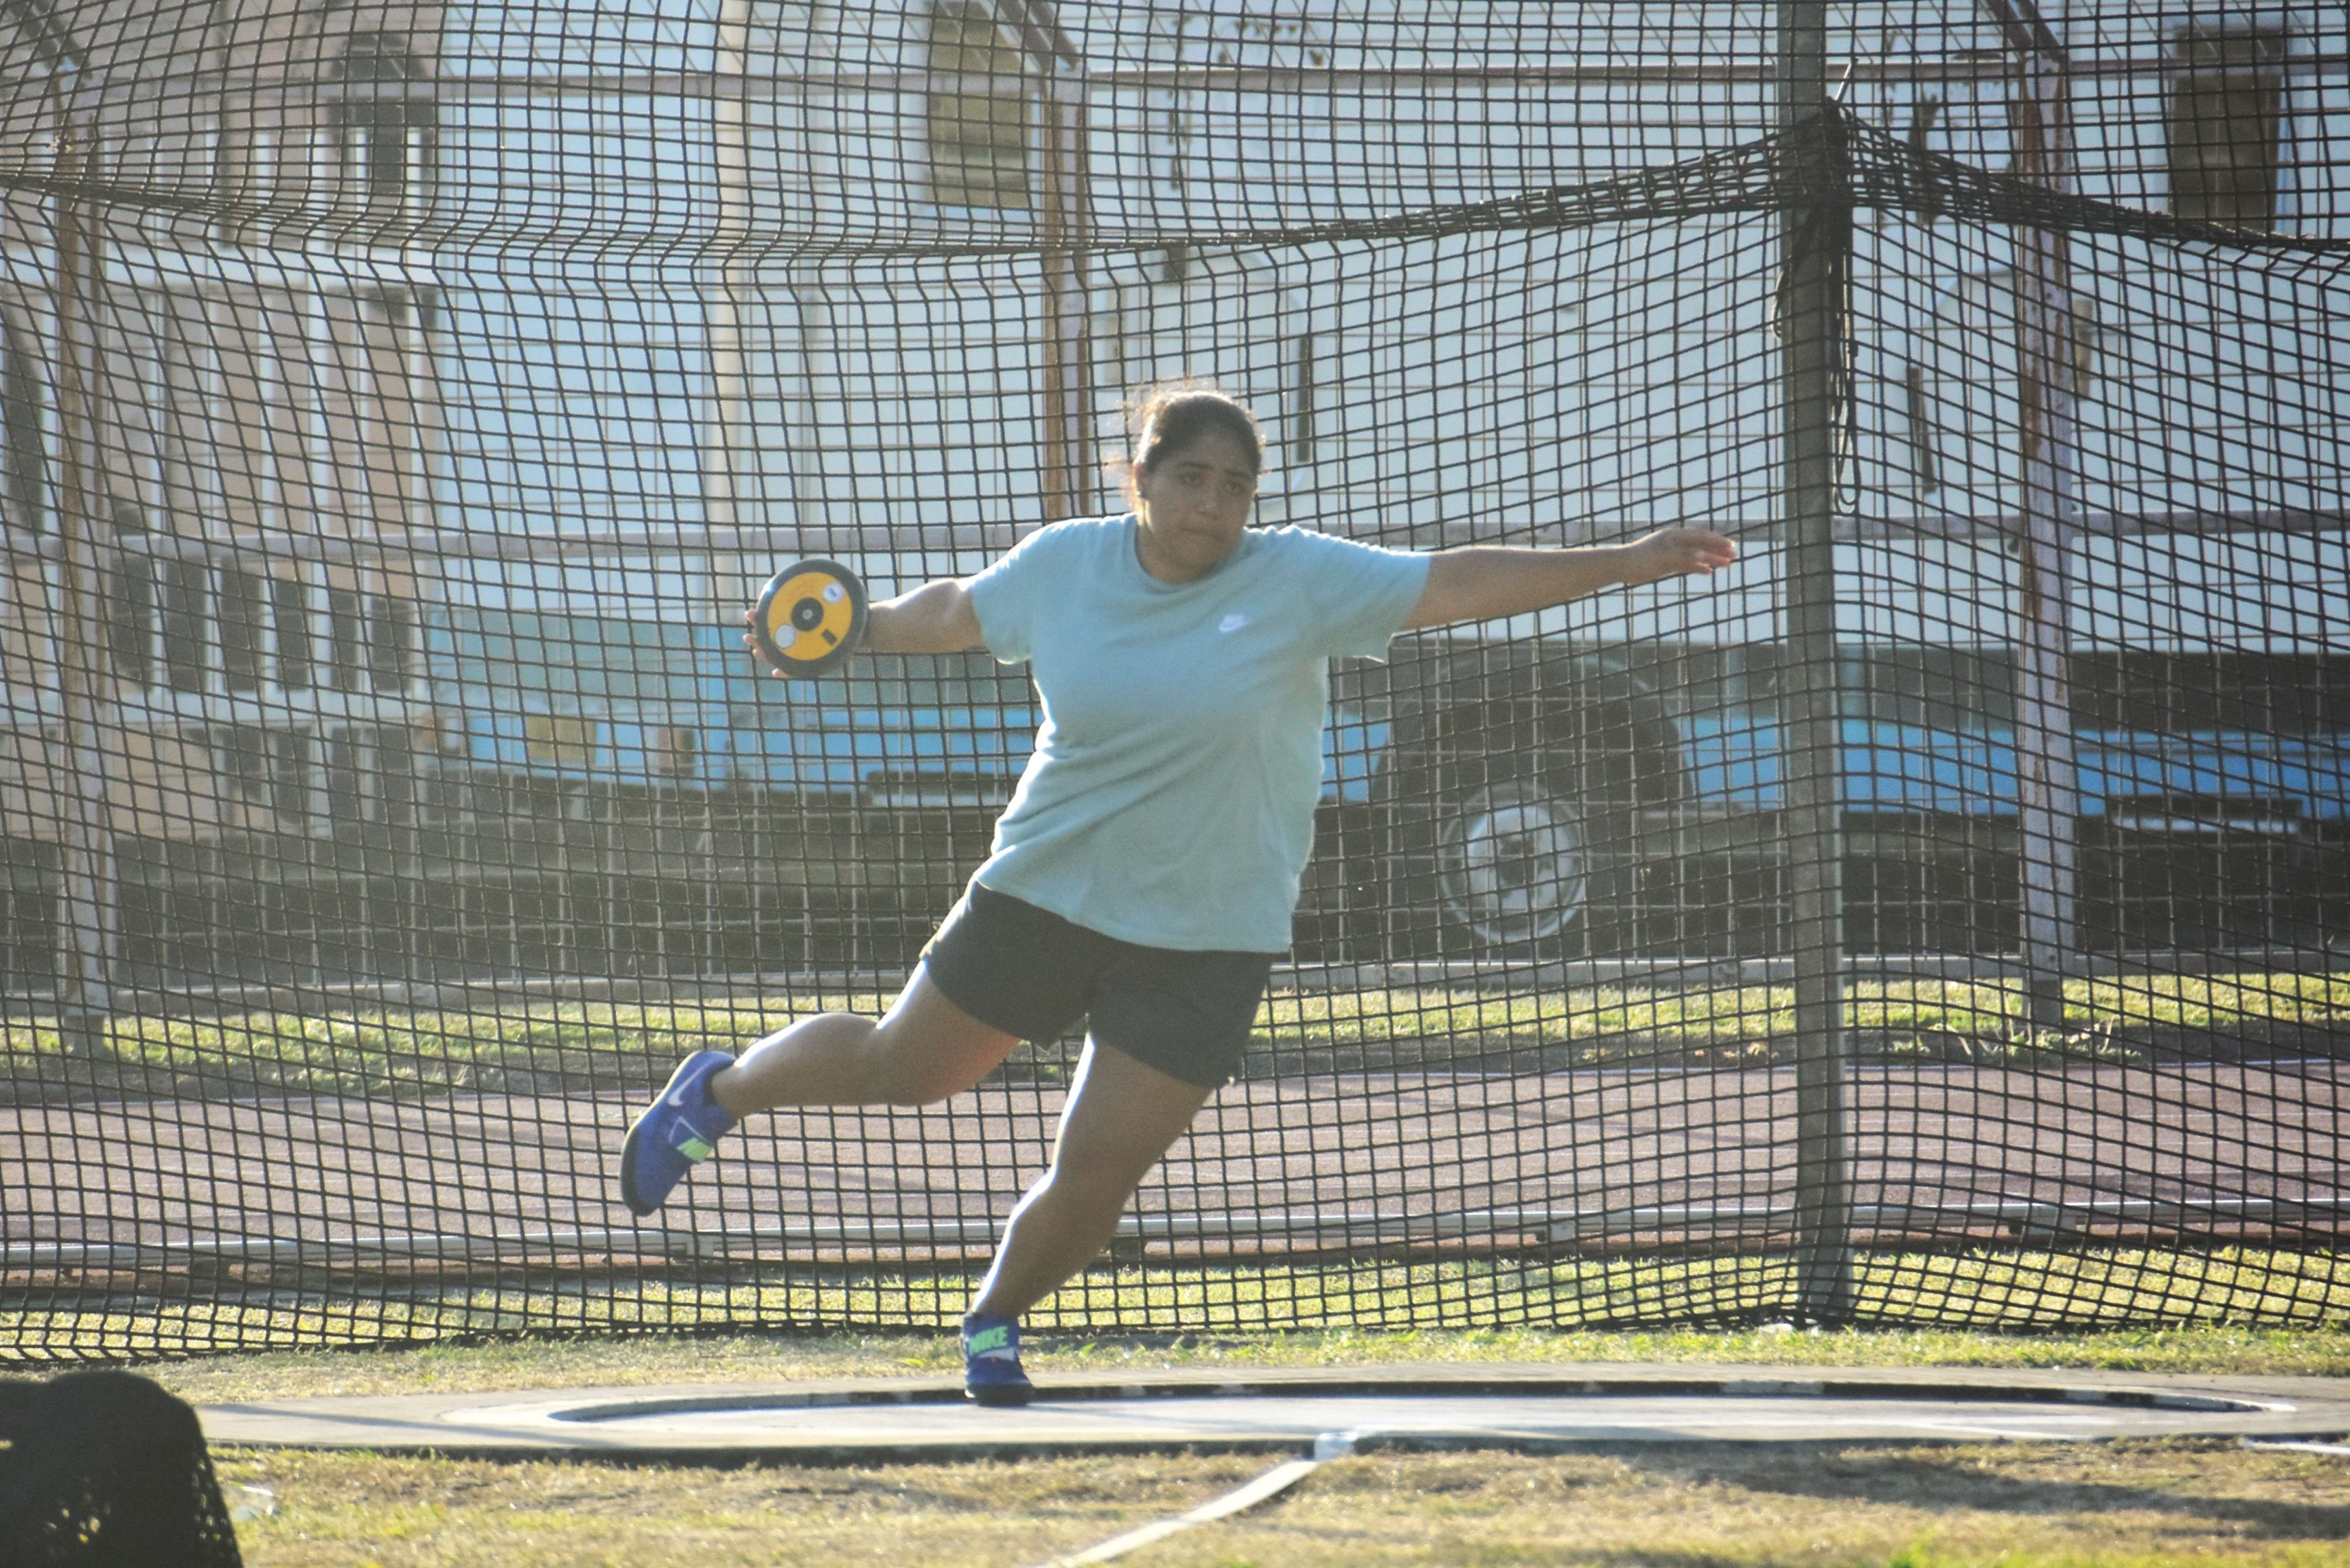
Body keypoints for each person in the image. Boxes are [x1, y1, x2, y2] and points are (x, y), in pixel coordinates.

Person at [618, 383, 1737, 1405]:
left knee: (1100, 1171)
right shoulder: (1065, 565)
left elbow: (1452, 580)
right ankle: (719, 1093)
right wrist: (852, 627)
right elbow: (955, 609)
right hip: (1049, 889)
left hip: (1211, 931)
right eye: (1190, 477)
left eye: (1235, 486)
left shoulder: (1298, 577)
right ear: (1141, 477)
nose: (1212, 505)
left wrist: (1628, 558)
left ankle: (993, 1327)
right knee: (904, 1074)